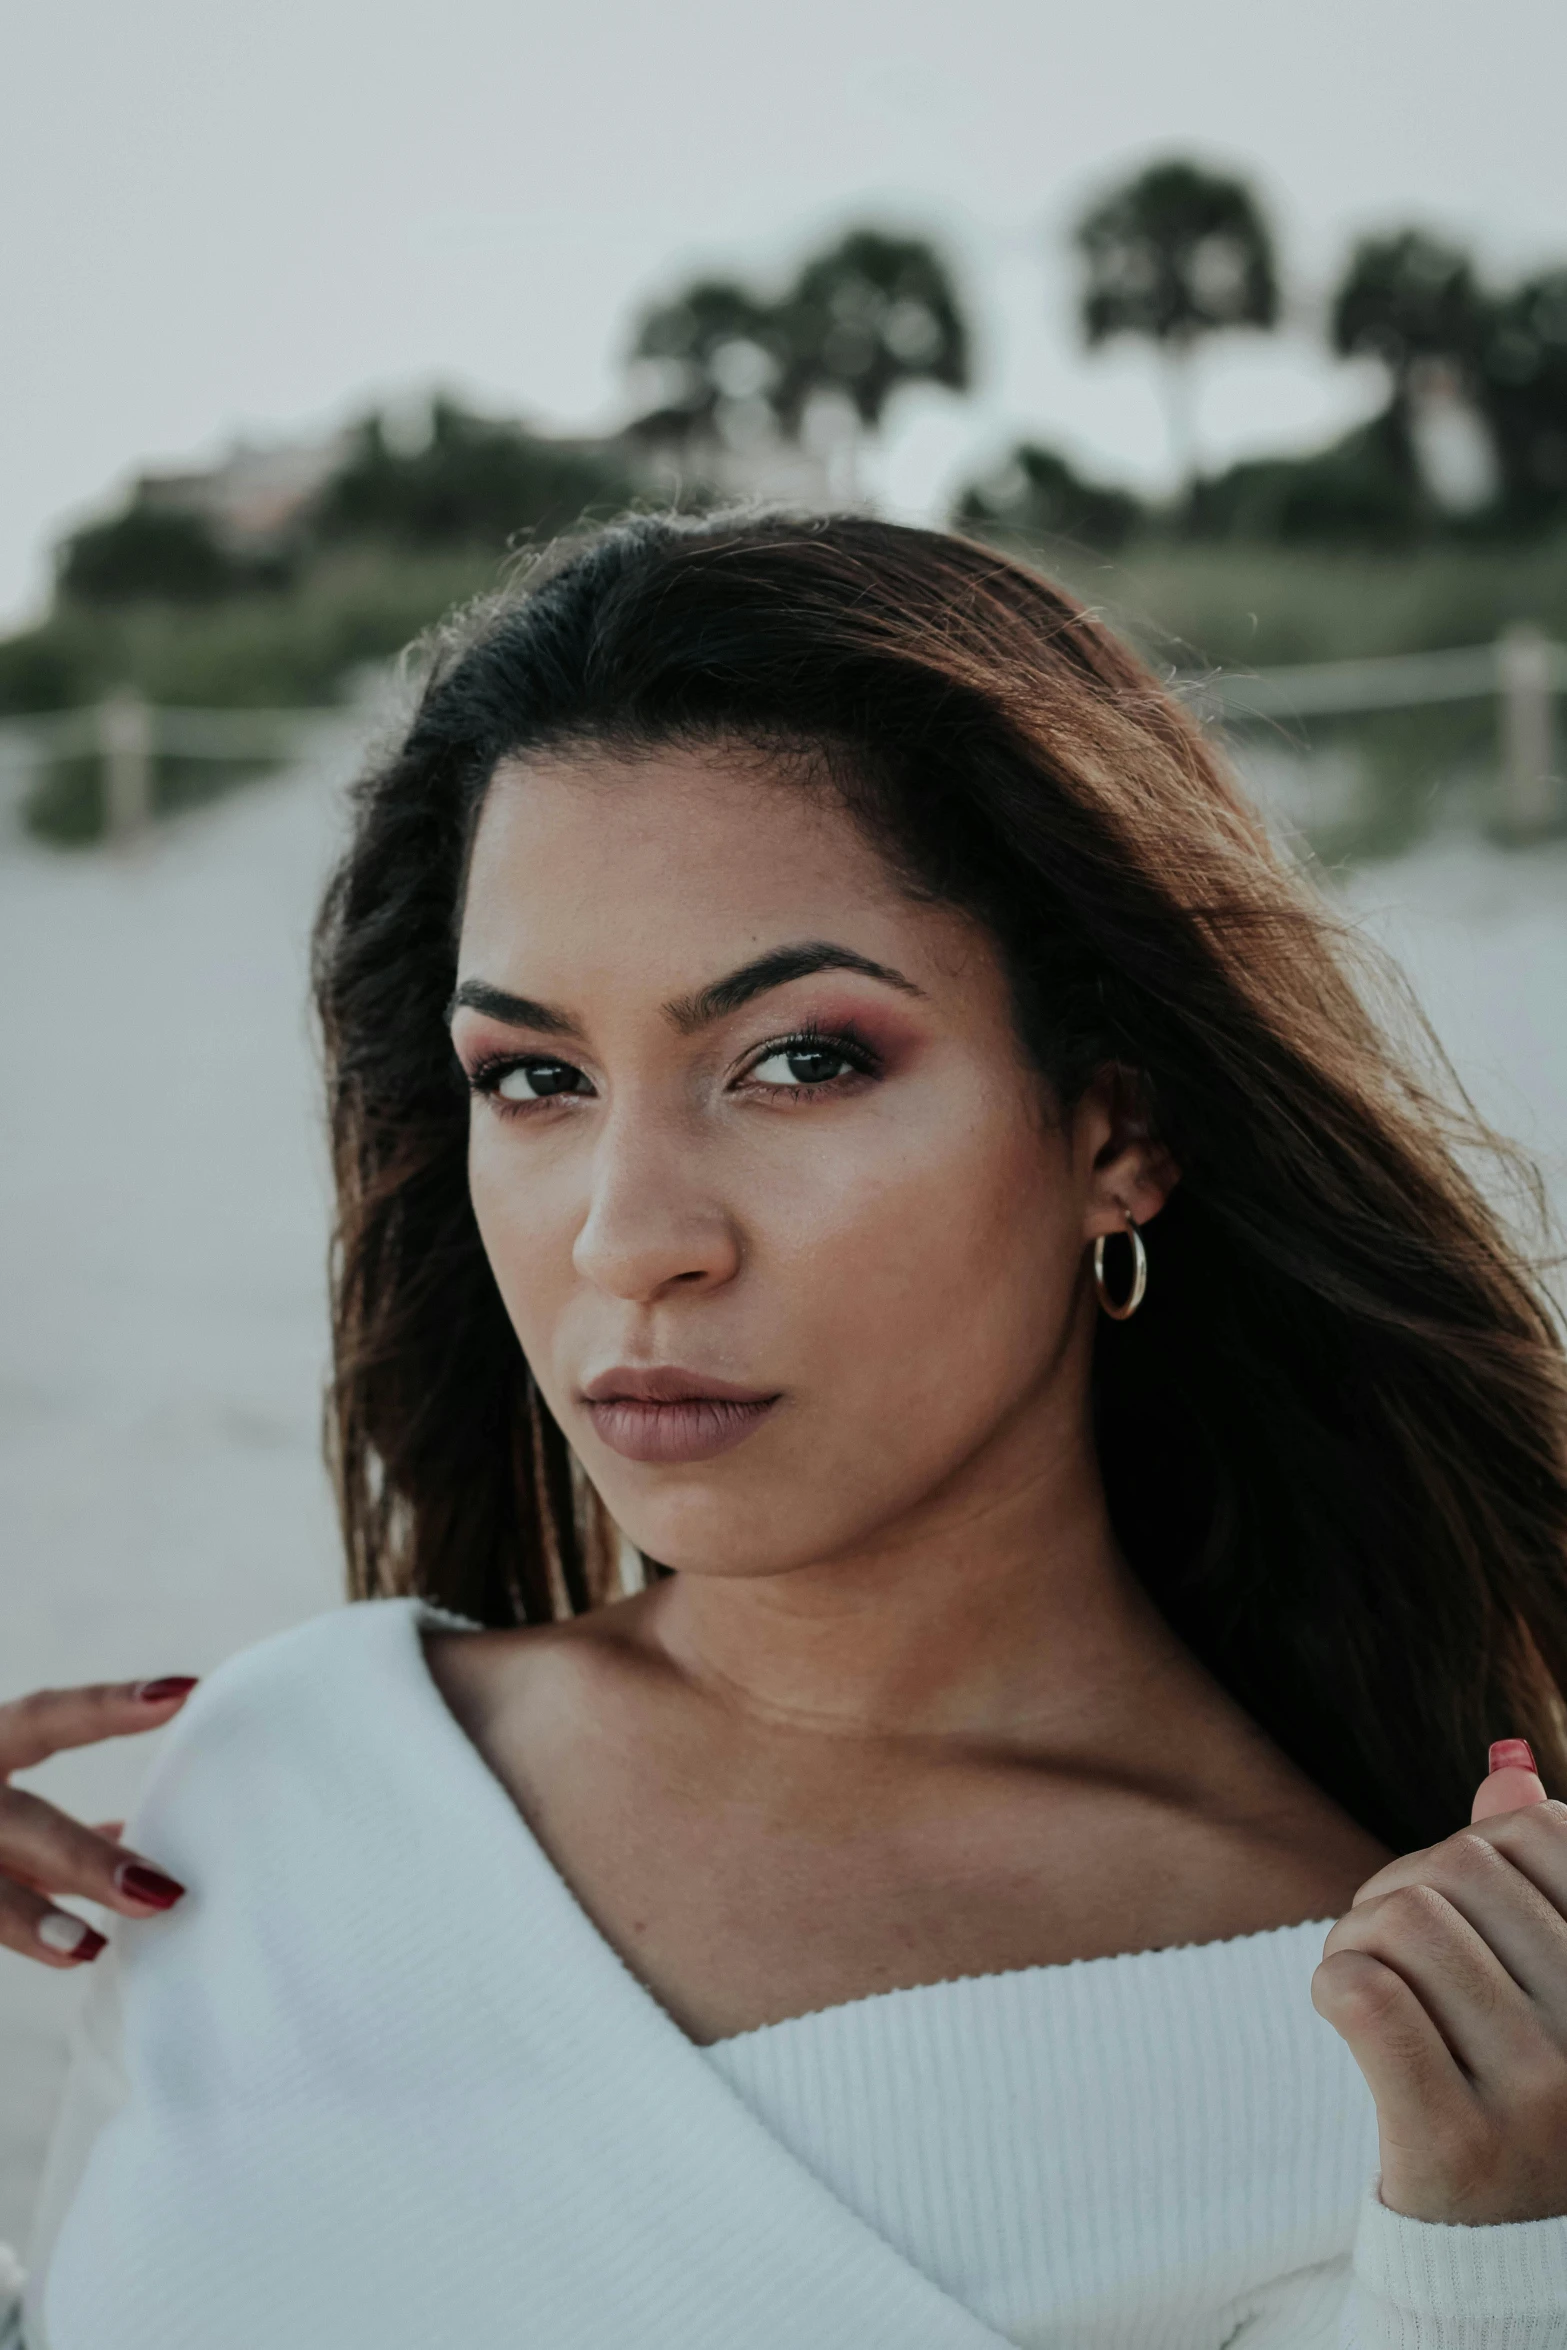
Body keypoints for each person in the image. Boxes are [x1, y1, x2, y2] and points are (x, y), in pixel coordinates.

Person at [4, 512, 1567, 2349]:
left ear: (1114, 1128)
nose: (629, 1233)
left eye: (800, 1060)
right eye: (536, 1077)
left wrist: (1500, 2271)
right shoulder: (283, 1772)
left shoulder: (1408, 2055)